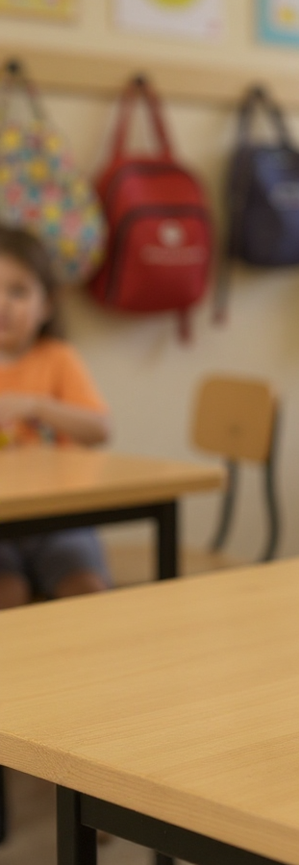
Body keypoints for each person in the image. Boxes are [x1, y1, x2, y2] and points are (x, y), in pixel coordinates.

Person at [0, 225, 112, 609]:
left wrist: (36, 406)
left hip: (61, 519)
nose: (3, 304)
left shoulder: (58, 358)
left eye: (18, 291)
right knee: (8, 595)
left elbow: (100, 430)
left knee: (86, 591)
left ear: (46, 304)